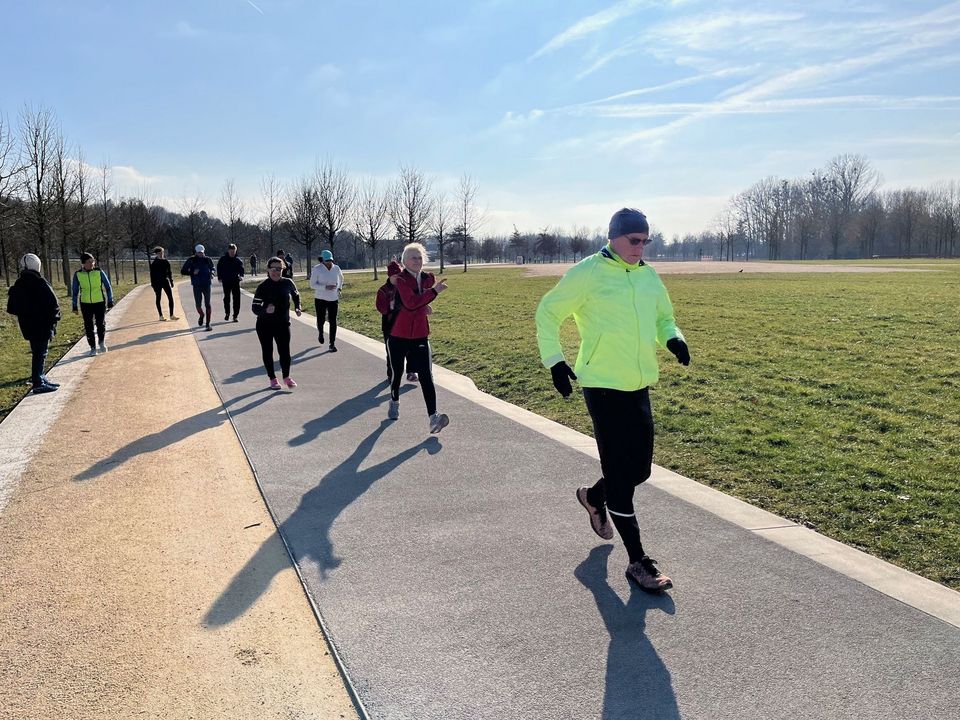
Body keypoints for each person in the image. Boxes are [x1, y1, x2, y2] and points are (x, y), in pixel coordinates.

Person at [535, 208, 690, 594]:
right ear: (614, 237)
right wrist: (555, 360)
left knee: (640, 470)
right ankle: (638, 561)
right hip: (602, 386)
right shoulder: (588, 272)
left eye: (645, 241)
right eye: (634, 240)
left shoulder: (648, 276)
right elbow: (548, 311)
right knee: (622, 476)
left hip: (638, 385)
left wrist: (673, 338)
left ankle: (593, 496)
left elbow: (664, 318)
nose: (640, 248)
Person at [386, 242, 449, 434]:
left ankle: (433, 417)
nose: (417, 260)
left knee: (426, 375)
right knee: (397, 373)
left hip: (420, 334)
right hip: (398, 335)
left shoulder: (427, 279)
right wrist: (433, 293)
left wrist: (426, 302)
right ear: (405, 261)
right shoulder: (401, 280)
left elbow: (419, 302)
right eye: (413, 257)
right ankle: (394, 400)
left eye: (420, 257)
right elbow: (411, 303)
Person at [6, 254, 61, 394]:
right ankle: (38, 381)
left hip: (27, 325)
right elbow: (53, 303)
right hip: (42, 325)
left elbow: (11, 308)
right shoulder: (40, 282)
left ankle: (40, 377)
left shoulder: (19, 284)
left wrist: (26, 312)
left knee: (38, 352)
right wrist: (54, 319)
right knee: (40, 353)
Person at [251, 256, 302, 389]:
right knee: (268, 351)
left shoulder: (288, 283)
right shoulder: (263, 287)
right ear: (268, 270)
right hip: (265, 325)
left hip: (283, 323)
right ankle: (272, 379)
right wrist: (265, 310)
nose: (276, 272)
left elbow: (296, 295)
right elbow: (255, 308)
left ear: (283, 270)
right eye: (273, 269)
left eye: (279, 269)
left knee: (285, 352)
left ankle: (286, 377)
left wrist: (298, 307)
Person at [71, 252, 115, 356]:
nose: (92, 264)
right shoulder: (78, 274)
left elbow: (108, 287)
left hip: (99, 302)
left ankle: (101, 342)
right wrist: (74, 306)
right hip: (85, 303)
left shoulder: (99, 272)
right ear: (83, 263)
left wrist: (110, 300)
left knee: (100, 324)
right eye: (89, 262)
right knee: (88, 326)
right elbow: (75, 291)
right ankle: (93, 348)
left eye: (93, 261)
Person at [309, 249, 344, 351]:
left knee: (333, 321)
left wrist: (339, 288)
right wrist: (325, 287)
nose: (329, 262)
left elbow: (341, 278)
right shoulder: (317, 269)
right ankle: (320, 332)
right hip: (320, 298)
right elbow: (312, 285)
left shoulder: (336, 268)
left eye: (331, 260)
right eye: (327, 260)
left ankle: (332, 343)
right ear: (322, 260)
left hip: (333, 298)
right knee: (321, 319)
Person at [181, 244, 215, 331]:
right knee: (198, 305)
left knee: (208, 304)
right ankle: (201, 315)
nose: (201, 254)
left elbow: (213, 268)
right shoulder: (191, 260)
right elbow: (183, 271)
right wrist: (192, 272)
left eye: (202, 252)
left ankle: (208, 324)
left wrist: (212, 273)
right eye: (199, 252)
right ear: (196, 252)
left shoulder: (208, 259)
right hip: (197, 285)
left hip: (207, 284)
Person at [217, 243, 245, 322]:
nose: (232, 253)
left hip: (235, 281)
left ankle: (235, 316)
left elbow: (241, 270)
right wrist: (219, 277)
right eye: (231, 251)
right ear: (228, 251)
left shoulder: (238, 260)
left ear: (236, 251)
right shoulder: (223, 259)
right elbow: (219, 268)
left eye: (234, 251)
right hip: (226, 281)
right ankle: (227, 313)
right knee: (227, 298)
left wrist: (241, 276)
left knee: (236, 299)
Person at [149, 246, 179, 321]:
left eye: (162, 252)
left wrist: (171, 281)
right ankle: (160, 316)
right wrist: (153, 284)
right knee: (158, 298)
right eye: (159, 253)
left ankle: (171, 315)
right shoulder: (154, 263)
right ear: (156, 254)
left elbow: (169, 272)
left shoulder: (166, 261)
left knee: (170, 297)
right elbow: (152, 275)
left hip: (165, 281)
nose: (161, 254)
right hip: (157, 283)